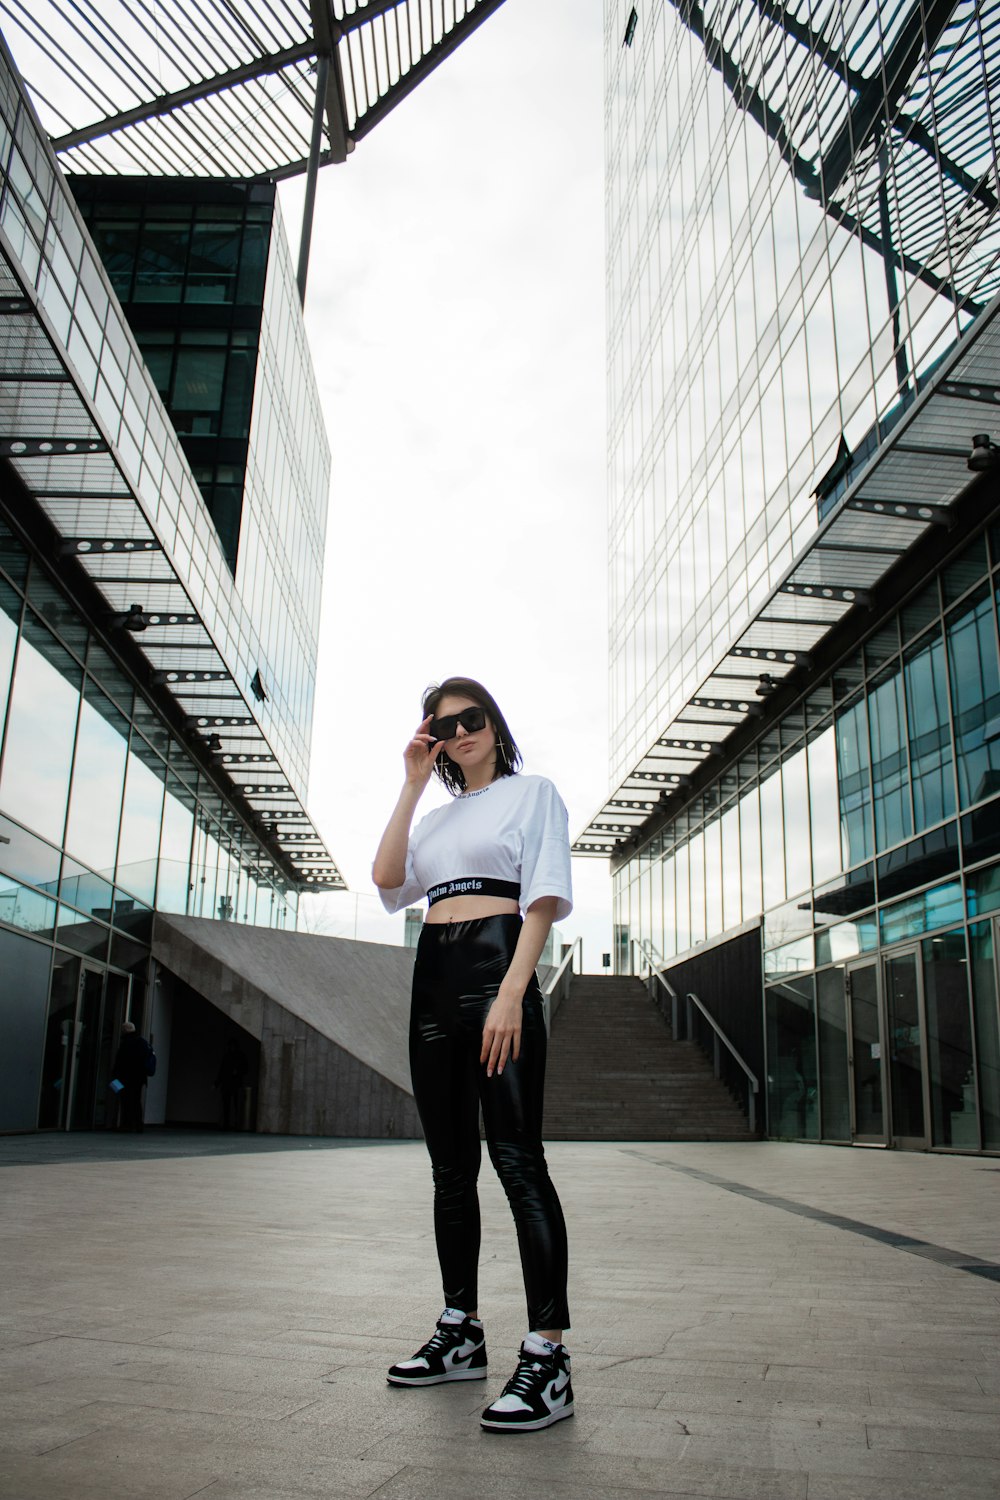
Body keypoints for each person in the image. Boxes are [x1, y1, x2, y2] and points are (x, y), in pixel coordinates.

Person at [373, 677, 574, 1434]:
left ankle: (548, 1356)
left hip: (498, 967)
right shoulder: (434, 817)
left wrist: (514, 992)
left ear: (494, 724)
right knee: (450, 1168)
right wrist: (410, 784)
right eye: (444, 725)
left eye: (471, 719)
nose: (460, 732)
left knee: (518, 1161)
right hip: (434, 976)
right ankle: (461, 1329)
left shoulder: (534, 794)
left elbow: (544, 897)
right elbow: (390, 881)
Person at [113, 1020, 150, 1133]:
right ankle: (138, 1124)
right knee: (136, 1100)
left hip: (125, 1077)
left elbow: (120, 1062)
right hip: (139, 1078)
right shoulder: (142, 1042)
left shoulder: (126, 1043)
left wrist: (115, 1075)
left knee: (126, 1100)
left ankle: (127, 1123)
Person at [214, 1036, 249, 1130]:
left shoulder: (239, 1056)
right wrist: (216, 1083)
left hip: (235, 1084)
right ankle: (226, 1123)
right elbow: (221, 1071)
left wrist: (238, 1072)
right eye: (230, 1046)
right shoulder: (228, 1056)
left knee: (235, 1105)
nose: (231, 1047)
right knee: (227, 1104)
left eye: (233, 1046)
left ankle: (235, 1123)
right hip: (228, 1083)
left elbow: (245, 1069)